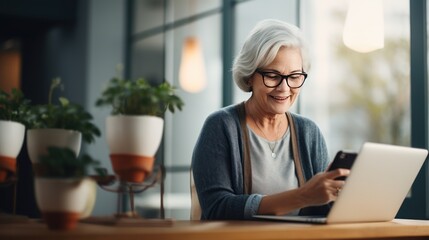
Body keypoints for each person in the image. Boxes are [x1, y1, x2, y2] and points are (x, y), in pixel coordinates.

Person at [191, 19, 350, 220]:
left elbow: (323, 211)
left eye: (294, 76)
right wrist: (303, 196)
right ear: (249, 76)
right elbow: (217, 208)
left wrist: (338, 194)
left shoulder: (308, 132)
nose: (284, 88)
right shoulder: (221, 126)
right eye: (273, 76)